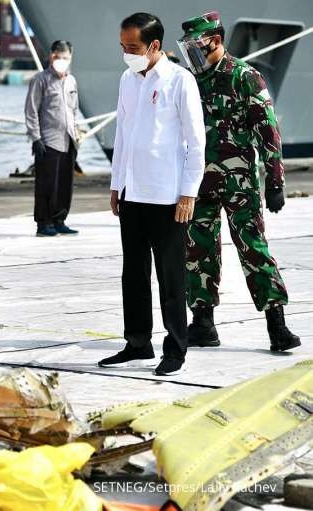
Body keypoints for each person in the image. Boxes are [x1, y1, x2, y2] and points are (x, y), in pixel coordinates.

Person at [178, 12, 300, 351]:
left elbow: (268, 132)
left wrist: (275, 181)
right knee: (198, 250)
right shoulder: (189, 80)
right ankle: (202, 321)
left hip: (239, 183)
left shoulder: (244, 77)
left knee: (254, 249)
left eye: (196, 46)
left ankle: (277, 323)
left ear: (215, 41)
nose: (192, 53)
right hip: (198, 182)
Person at [98, 12, 206, 376]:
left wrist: (188, 193)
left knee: (171, 276)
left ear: (154, 46)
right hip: (133, 192)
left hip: (168, 196)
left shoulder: (180, 81)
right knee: (134, 272)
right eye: (123, 46)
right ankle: (137, 342)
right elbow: (124, 137)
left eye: (133, 47)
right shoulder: (128, 80)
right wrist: (117, 185)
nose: (126, 53)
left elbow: (196, 141)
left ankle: (175, 348)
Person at [24, 40, 80, 237]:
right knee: (47, 185)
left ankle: (59, 220)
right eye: (57, 56)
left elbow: (74, 109)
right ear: (50, 56)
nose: (61, 60)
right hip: (48, 140)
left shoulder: (71, 81)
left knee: (65, 184)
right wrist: (36, 138)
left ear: (70, 58)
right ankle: (43, 223)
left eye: (65, 57)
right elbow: (31, 111)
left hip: (68, 140)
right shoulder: (40, 80)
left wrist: (77, 132)